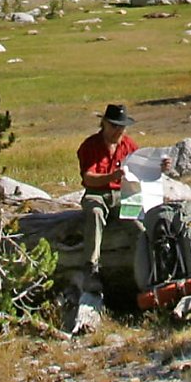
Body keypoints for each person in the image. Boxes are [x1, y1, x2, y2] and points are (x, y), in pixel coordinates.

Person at [76, 102, 158, 286]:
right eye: (114, 126)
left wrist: (159, 167)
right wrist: (111, 176)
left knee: (139, 228)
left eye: (121, 127)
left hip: (124, 195)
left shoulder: (129, 145)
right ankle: (91, 267)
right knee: (95, 213)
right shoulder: (90, 146)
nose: (118, 131)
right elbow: (89, 178)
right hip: (97, 193)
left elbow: (142, 170)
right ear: (103, 123)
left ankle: (145, 273)